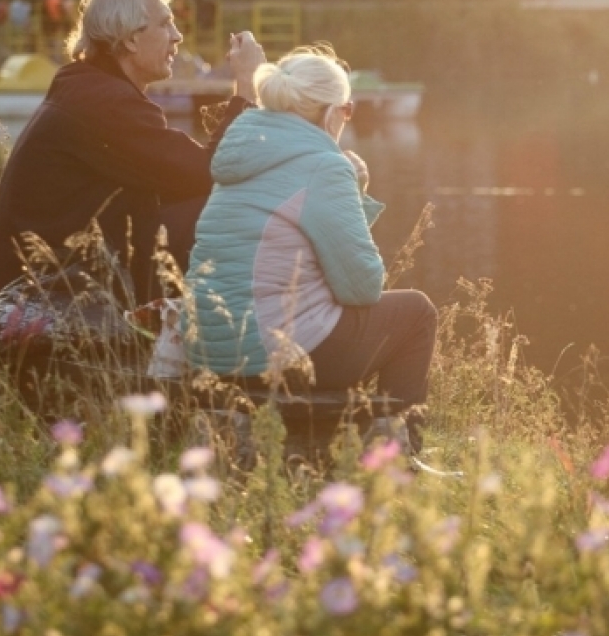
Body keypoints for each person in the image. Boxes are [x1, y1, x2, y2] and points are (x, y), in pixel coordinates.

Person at [0, 0, 265, 341]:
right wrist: (246, 85)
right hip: (34, 304)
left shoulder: (89, 87)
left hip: (24, 293)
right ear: (129, 38)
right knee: (225, 209)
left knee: (202, 207)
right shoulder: (106, 103)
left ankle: (212, 340)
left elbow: (186, 174)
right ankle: (237, 344)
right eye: (165, 23)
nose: (177, 36)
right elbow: (210, 171)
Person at [184, 46, 437, 441]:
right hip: (276, 355)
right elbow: (362, 285)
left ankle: (312, 435)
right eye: (348, 110)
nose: (345, 119)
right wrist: (350, 189)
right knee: (416, 313)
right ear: (329, 112)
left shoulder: (239, 156)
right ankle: (398, 450)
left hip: (211, 353)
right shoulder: (325, 164)